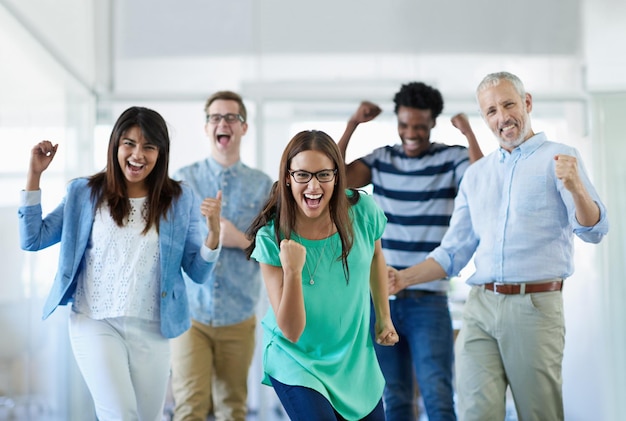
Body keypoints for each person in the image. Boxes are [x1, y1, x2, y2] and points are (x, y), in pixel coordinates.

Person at [387, 71, 609, 421]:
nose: (502, 117)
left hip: (534, 307)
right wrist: (402, 279)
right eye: (491, 110)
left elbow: (595, 230)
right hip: (481, 307)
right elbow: (453, 252)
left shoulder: (560, 158)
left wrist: (577, 188)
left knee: (539, 414)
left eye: (508, 104)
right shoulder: (477, 175)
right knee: (475, 413)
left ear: (527, 103)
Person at [18, 106, 222, 421]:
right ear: (115, 145)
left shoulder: (180, 199)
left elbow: (196, 272)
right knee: (121, 415)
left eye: (149, 146)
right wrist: (34, 175)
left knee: (146, 416)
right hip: (95, 321)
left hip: (153, 327)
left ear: (160, 153)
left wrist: (213, 235)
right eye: (129, 143)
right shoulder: (84, 193)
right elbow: (33, 239)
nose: (137, 154)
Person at [337, 82, 483, 421]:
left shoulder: (451, 158)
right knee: (394, 397)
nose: (411, 133)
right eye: (404, 125)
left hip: (427, 299)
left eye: (419, 126)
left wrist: (469, 132)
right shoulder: (382, 159)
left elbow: (483, 182)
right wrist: (352, 124)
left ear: (432, 123)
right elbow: (337, 178)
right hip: (381, 300)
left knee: (438, 395)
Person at [245, 130, 399, 421]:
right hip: (297, 360)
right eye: (302, 175)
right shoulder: (272, 238)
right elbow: (291, 331)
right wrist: (292, 271)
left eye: (323, 175)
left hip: (354, 359)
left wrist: (384, 318)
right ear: (288, 177)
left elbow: (376, 256)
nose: (313, 186)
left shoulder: (363, 211)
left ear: (337, 177)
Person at [169, 91, 273, 421]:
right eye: (215, 117)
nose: (222, 123)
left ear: (243, 127)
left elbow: (273, 255)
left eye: (231, 118)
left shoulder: (263, 186)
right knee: (189, 408)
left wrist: (238, 239)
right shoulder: (183, 181)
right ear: (206, 127)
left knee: (233, 409)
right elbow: (170, 245)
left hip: (239, 317)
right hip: (191, 317)